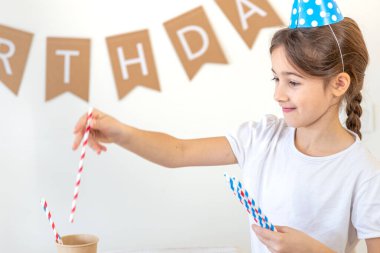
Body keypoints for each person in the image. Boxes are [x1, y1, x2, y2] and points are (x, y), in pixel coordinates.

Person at [72, 8, 380, 253]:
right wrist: (120, 132)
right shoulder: (262, 138)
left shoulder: (363, 173)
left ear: (339, 84)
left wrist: (314, 251)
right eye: (276, 79)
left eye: (294, 82)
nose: (279, 94)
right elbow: (177, 152)